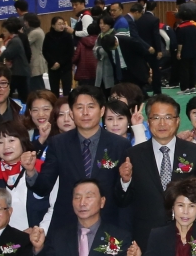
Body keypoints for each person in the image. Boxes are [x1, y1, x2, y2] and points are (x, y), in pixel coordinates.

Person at [27, 85, 129, 226]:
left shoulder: (120, 145)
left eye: (91, 107)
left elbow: (123, 195)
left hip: (107, 222)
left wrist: (125, 181)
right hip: (67, 222)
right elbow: (44, 187)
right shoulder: (58, 143)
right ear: (72, 113)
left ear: (102, 111)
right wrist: (31, 171)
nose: (85, 113)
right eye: (79, 108)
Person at [117, 95, 196, 245]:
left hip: (186, 236)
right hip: (145, 237)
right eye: (156, 118)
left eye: (168, 117)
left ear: (177, 121)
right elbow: (123, 202)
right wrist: (125, 182)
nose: (162, 123)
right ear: (148, 122)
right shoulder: (133, 154)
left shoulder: (194, 153)